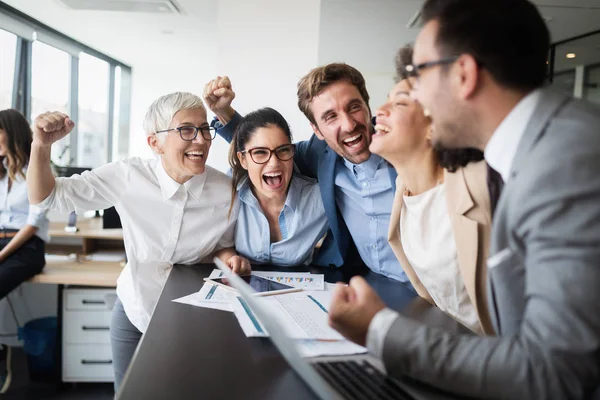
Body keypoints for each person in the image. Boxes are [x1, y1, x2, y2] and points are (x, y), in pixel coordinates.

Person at [328, 0, 600, 398]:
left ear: (464, 74)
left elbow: (554, 372)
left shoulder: (565, 161)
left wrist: (379, 329)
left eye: (418, 75)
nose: (414, 96)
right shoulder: (532, 152)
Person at [26, 93, 251, 392]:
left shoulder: (226, 192)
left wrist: (230, 255)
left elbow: (221, 244)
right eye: (186, 130)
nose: (201, 140)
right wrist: (41, 147)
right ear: (155, 143)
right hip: (134, 314)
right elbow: (46, 197)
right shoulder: (128, 176)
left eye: (205, 129)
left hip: (192, 322)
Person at [204, 70, 410, 285]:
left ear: (368, 107)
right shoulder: (319, 154)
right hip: (373, 283)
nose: (348, 125)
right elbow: (263, 145)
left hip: (428, 287)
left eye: (354, 107)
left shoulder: (406, 141)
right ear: (317, 130)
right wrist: (224, 113)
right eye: (331, 116)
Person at [371, 44, 493, 334]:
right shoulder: (404, 190)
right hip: (452, 349)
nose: (379, 110)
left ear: (434, 126)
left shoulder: (482, 185)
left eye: (399, 103)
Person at [229, 107, 328, 266]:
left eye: (283, 150)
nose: (274, 163)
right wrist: (230, 258)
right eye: (260, 152)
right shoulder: (229, 192)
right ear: (243, 160)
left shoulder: (319, 199)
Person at [0, 109, 49, 394]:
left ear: (12, 133)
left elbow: (33, 224)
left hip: (25, 246)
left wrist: (3, 254)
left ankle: (5, 354)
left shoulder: (36, 170)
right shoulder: (1, 170)